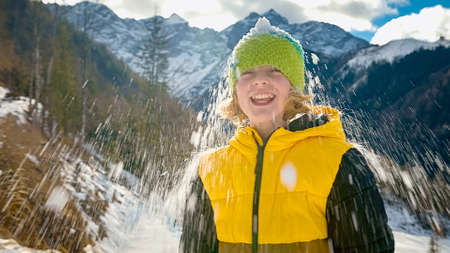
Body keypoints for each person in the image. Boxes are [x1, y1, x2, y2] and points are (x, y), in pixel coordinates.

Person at [180, 17, 394, 253]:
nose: (260, 79)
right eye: (247, 72)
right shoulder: (210, 169)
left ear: (294, 87)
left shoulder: (338, 161)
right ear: (235, 91)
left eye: (275, 70)